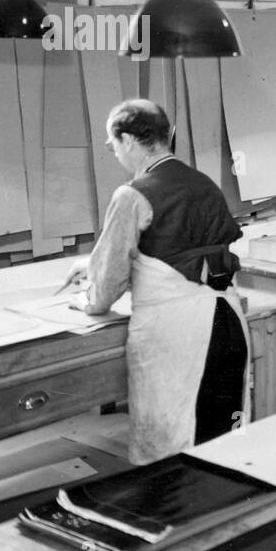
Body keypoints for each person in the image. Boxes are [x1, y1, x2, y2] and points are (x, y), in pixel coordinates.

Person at [62, 99, 247, 465]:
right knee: (219, 439)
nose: (114, 153)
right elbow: (183, 250)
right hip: (225, 321)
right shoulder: (204, 184)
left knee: (169, 446)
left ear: (128, 140)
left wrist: (89, 300)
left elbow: (107, 287)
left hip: (176, 335)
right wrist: (95, 259)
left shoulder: (132, 194)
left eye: (113, 145)